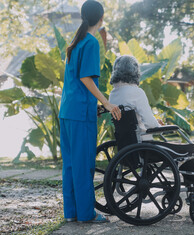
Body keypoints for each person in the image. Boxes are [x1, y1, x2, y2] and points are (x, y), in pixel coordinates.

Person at [108, 55, 194, 207]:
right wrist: (158, 124)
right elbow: (150, 123)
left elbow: (133, 121)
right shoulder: (136, 92)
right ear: (135, 72)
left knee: (181, 152)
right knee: (188, 150)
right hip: (144, 146)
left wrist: (151, 123)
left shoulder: (113, 94)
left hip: (127, 147)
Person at [58, 0, 121, 223]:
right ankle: (86, 214)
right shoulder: (92, 42)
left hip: (67, 111)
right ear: (101, 18)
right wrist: (106, 102)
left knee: (71, 164)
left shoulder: (75, 42)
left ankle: (71, 213)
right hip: (80, 114)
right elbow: (86, 78)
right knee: (84, 163)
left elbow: (75, 81)